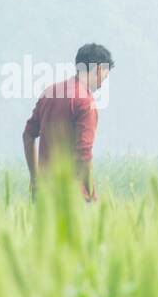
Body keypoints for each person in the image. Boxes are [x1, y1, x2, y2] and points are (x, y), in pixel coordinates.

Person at [23, 43, 113, 202]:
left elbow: (28, 135)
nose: (104, 82)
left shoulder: (50, 92)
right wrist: (92, 194)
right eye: (105, 76)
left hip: (44, 193)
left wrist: (34, 178)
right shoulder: (86, 102)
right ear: (98, 70)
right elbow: (84, 154)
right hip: (72, 197)